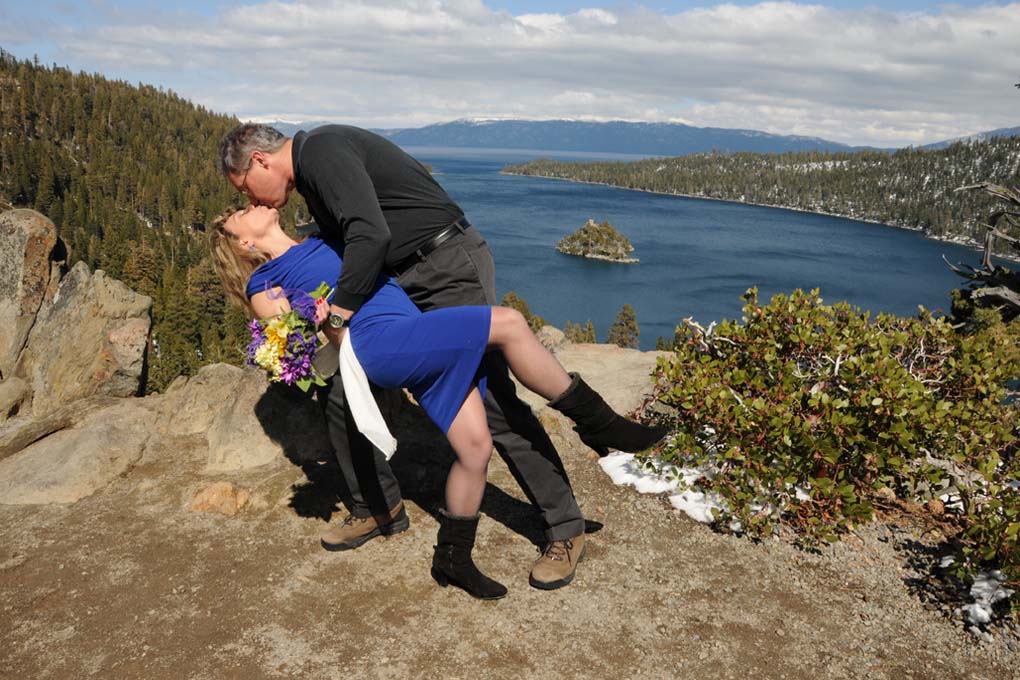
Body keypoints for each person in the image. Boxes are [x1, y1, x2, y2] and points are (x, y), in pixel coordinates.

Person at [217, 123, 634, 590]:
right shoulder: (310, 184)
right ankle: (380, 508)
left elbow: (368, 235)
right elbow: (330, 268)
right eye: (245, 204)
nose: (257, 201)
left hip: (439, 267)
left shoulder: (321, 151)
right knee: (340, 395)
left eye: (245, 190)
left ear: (259, 161)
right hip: (406, 289)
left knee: (495, 403)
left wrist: (334, 315)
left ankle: (565, 524)